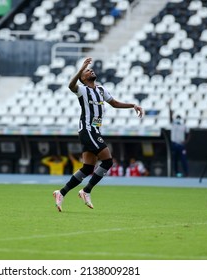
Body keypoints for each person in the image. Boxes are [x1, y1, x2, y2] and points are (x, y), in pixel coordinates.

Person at [53, 57, 143, 212]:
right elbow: (70, 85)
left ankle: (61, 192)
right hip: (87, 129)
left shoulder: (101, 89)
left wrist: (133, 105)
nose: (91, 70)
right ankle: (86, 191)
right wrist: (81, 68)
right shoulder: (82, 90)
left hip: (95, 130)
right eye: (87, 71)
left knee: (88, 168)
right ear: (82, 77)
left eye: (90, 69)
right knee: (107, 161)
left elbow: (114, 103)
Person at [168, 100, 190, 177]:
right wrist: (169, 107)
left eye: (179, 118)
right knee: (175, 160)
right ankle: (176, 173)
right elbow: (170, 117)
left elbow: (188, 134)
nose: (178, 119)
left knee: (183, 159)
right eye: (177, 117)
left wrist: (186, 141)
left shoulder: (184, 125)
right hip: (174, 144)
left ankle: (186, 173)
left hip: (181, 145)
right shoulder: (173, 124)